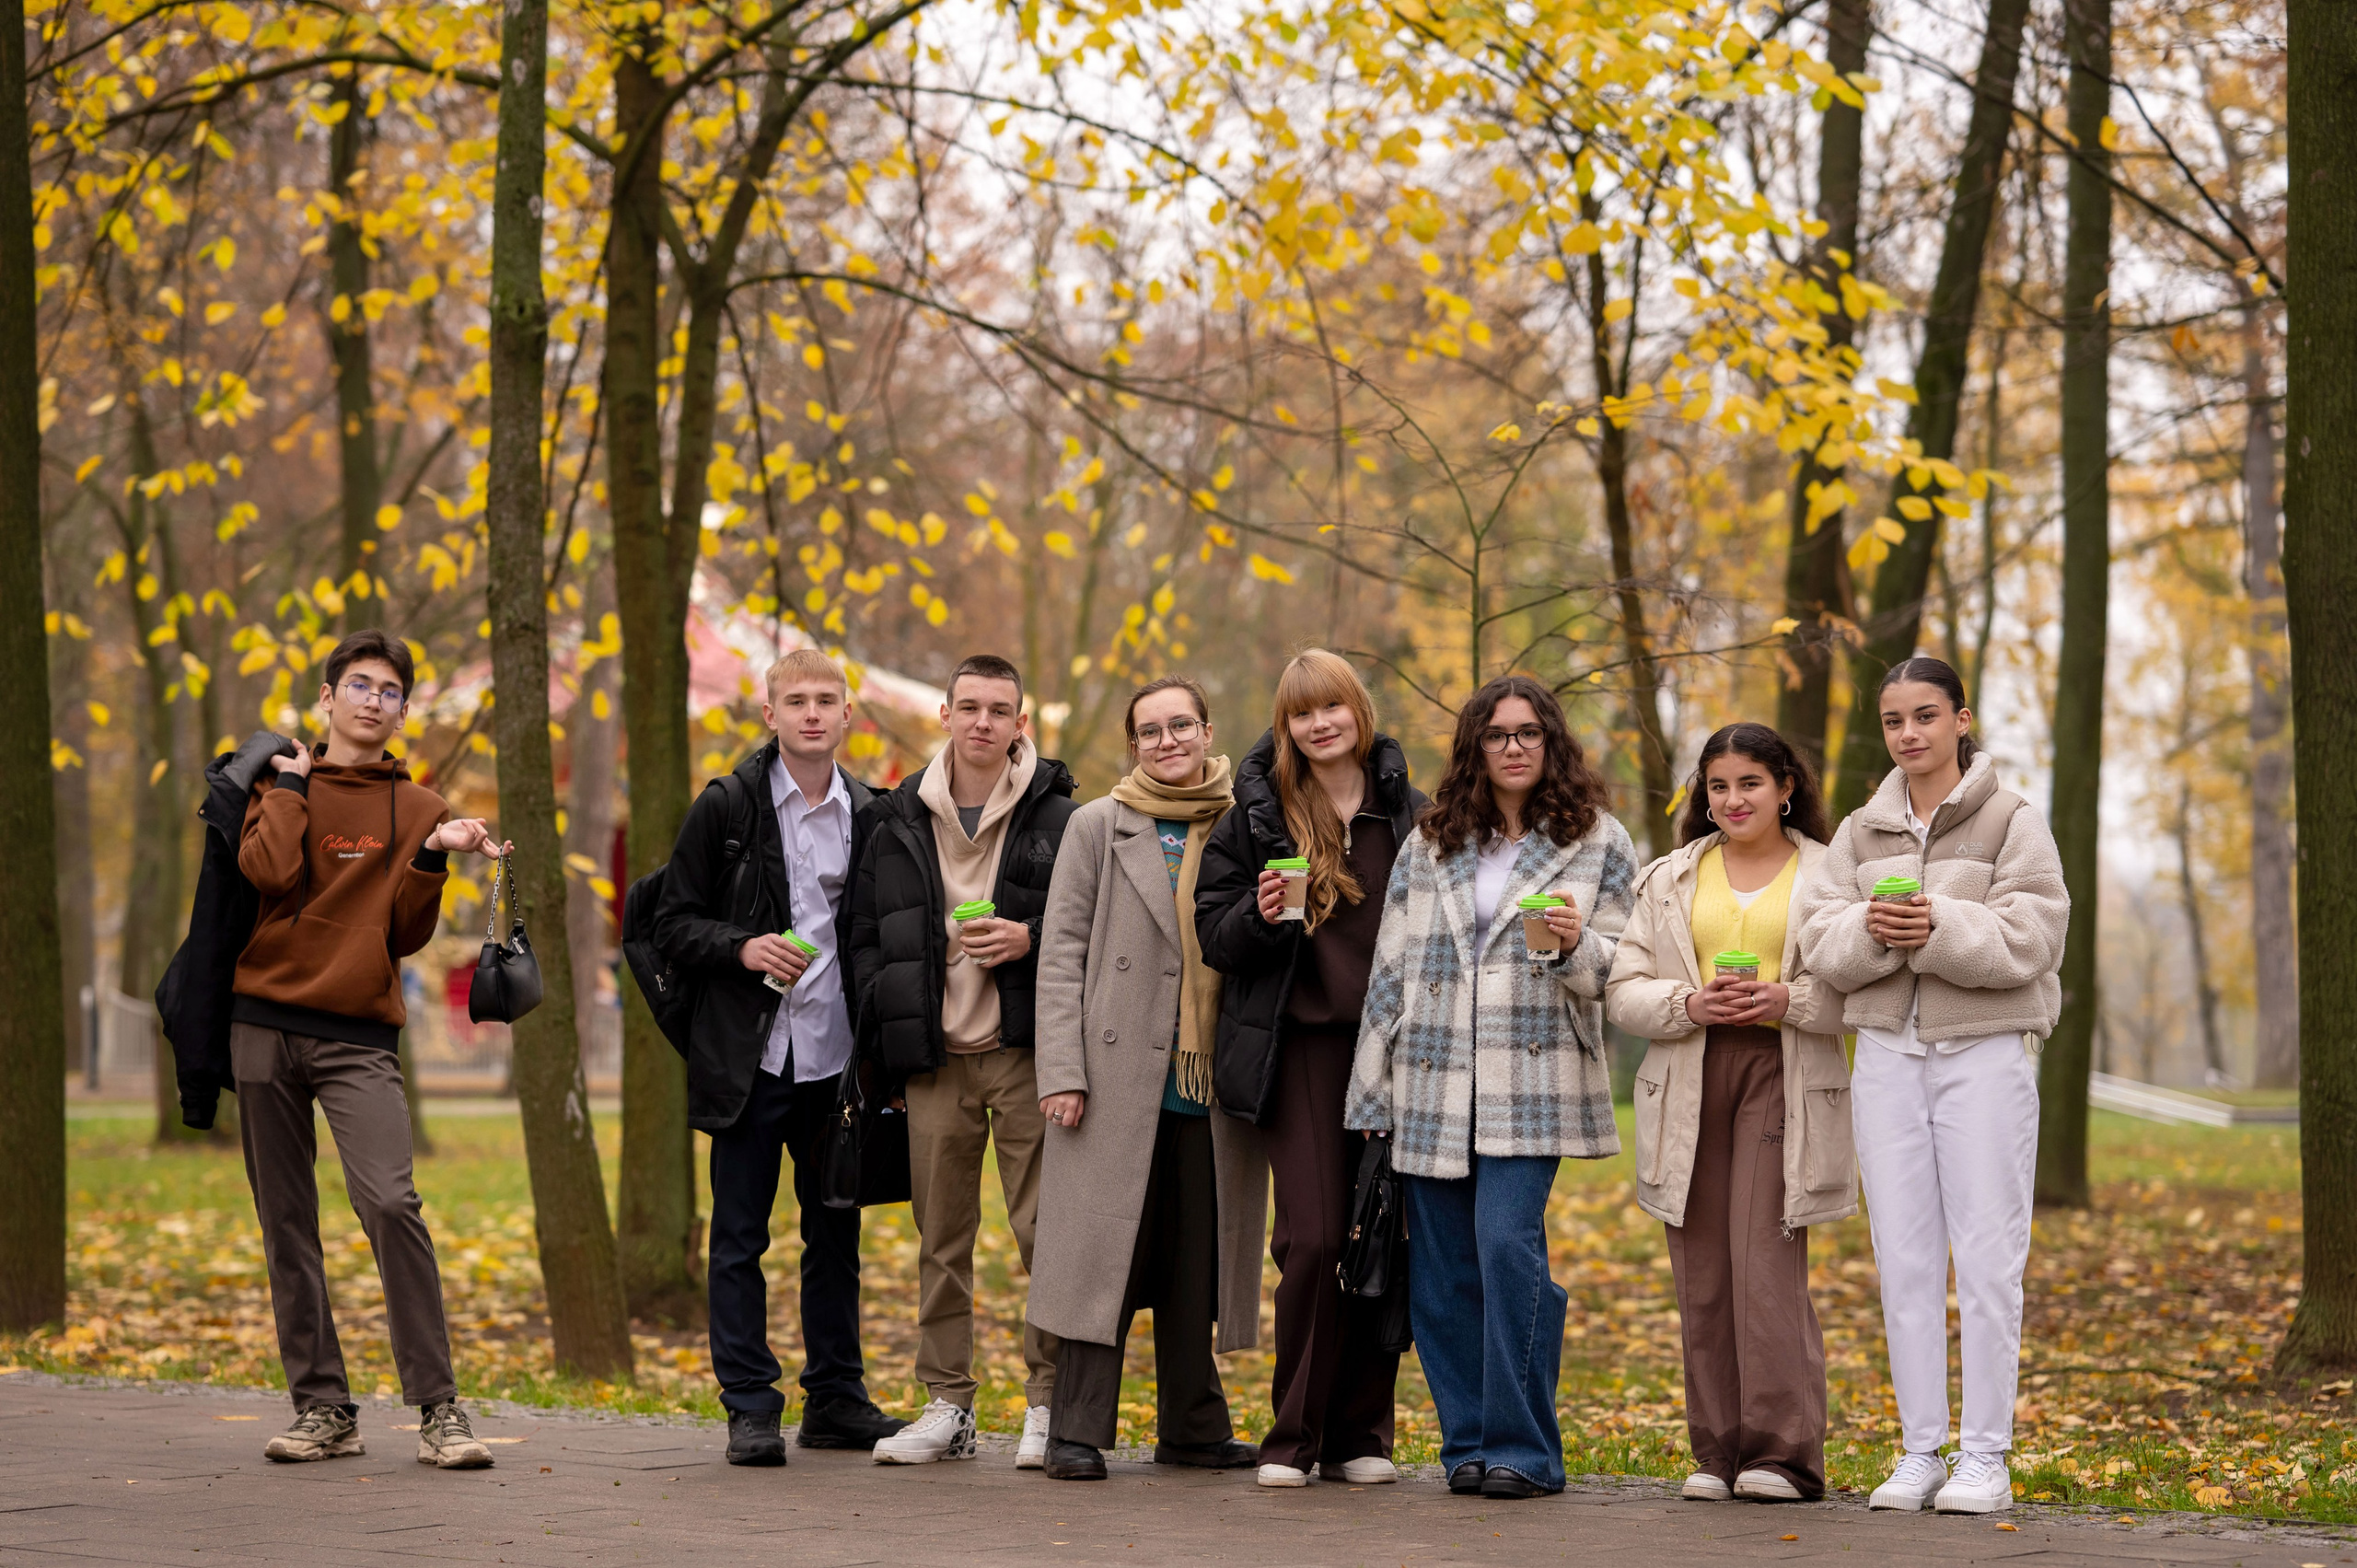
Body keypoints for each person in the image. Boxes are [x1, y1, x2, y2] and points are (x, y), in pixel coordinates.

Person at [1346, 675, 1634, 1501]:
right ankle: (1467, 1442)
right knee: (1442, 1272)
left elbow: (1627, 963)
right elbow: (1390, 971)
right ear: (1474, 746)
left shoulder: (1598, 840)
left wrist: (1578, 945)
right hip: (1431, 1079)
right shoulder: (1432, 840)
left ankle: (1525, 1448)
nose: (1513, 746)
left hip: (1532, 1076)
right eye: (1497, 733)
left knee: (1508, 1248)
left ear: (1551, 743)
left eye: (1529, 733)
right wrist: (1372, 1098)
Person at [1796, 657, 2069, 1516]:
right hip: (1885, 1052)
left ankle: (1986, 1457)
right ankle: (1921, 1451)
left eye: (1924, 716)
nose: (1908, 734)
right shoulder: (1859, 831)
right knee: (1903, 1260)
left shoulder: (2011, 819)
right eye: (1892, 720)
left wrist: (1939, 922)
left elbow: (2035, 936)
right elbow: (1818, 935)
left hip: (1983, 1054)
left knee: (1989, 1259)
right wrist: (1878, 931)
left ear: (1961, 719)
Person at [227, 629, 503, 1469]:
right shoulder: (273, 780)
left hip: (357, 1031)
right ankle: (322, 1406)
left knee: (389, 1202)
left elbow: (409, 934)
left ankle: (440, 1407)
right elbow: (268, 874)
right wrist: (288, 785)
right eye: (359, 685)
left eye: (389, 690)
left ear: (403, 709)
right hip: (262, 1023)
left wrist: (432, 855)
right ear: (327, 698)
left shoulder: (420, 805)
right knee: (286, 1220)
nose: (373, 700)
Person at [650, 648, 906, 1466]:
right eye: (795, 699)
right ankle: (750, 1406)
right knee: (738, 1237)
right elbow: (670, 923)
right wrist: (746, 947)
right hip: (750, 1057)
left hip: (835, 1061)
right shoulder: (725, 805)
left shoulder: (871, 812)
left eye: (826, 699)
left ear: (846, 715)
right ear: (769, 714)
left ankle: (835, 1398)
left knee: (835, 1235)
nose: (811, 713)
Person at [1605, 723, 1855, 1505]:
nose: (1733, 798)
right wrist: (1689, 1001)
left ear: (1787, 786)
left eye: (1750, 782)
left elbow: (1857, 986)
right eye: (1718, 785)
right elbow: (1623, 986)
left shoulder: (1831, 875)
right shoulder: (1670, 878)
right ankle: (1716, 1451)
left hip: (1781, 1073)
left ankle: (1781, 1455)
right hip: (1689, 1076)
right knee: (1704, 1272)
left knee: (1767, 1267)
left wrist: (1789, 998)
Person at [1028, 677, 1270, 1481]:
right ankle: (1076, 1429)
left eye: (1182, 726)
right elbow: (1060, 952)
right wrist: (1061, 1069)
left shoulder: (1244, 822)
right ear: (1133, 745)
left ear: (1207, 730)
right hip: (1109, 1077)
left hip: (1207, 1087)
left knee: (1193, 1261)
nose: (1168, 741)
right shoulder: (1098, 824)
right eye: (1151, 731)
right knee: (1102, 1257)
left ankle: (1193, 1427)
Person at [1194, 649, 1423, 1490]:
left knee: (1380, 1233)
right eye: (1301, 713)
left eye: (1332, 707)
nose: (1319, 723)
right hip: (1302, 1048)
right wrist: (1258, 918)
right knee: (1317, 1237)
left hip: (1395, 1053)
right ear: (1285, 726)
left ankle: (1361, 1432)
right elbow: (1214, 934)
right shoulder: (1257, 818)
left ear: (1358, 711)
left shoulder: (1412, 816)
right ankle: (1293, 1434)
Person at [848, 653, 1079, 1468]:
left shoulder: (1063, 814)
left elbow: (1092, 929)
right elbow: (865, 938)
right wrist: (888, 1034)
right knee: (940, 1240)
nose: (984, 721)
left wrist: (1030, 939)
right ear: (943, 713)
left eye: (1000, 709)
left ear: (1022, 723)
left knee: (1042, 1236)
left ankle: (1047, 1404)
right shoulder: (894, 814)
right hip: (934, 1059)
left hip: (1025, 1056)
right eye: (970, 706)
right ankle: (948, 1403)